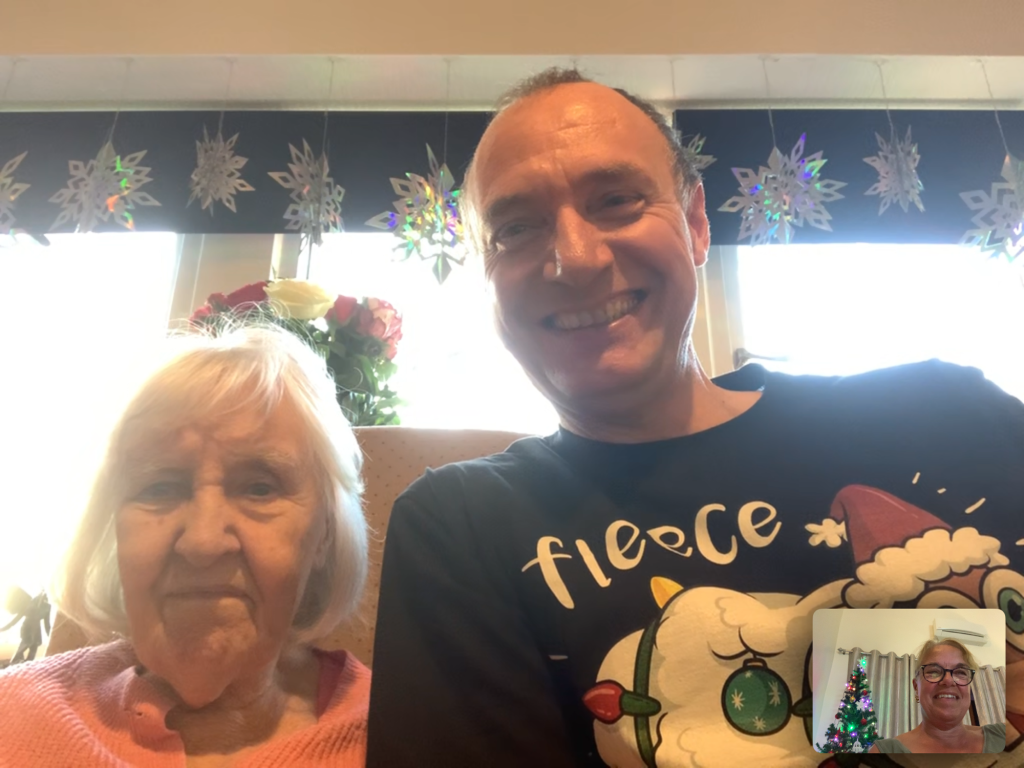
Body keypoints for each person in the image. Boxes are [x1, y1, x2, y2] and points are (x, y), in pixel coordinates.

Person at [366, 68, 1024, 767]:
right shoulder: (461, 527)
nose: (575, 260)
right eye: (515, 228)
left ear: (697, 223)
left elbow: (947, 730)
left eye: (616, 200)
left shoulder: (941, 414)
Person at [0, 325, 370, 767]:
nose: (203, 542)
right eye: (159, 488)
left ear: (325, 530)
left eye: (259, 488)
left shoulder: (406, 731)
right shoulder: (13, 710)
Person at [869, 639, 1005, 754]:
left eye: (960, 672)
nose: (948, 680)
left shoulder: (1003, 735)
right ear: (916, 687)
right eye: (934, 671)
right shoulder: (884, 752)